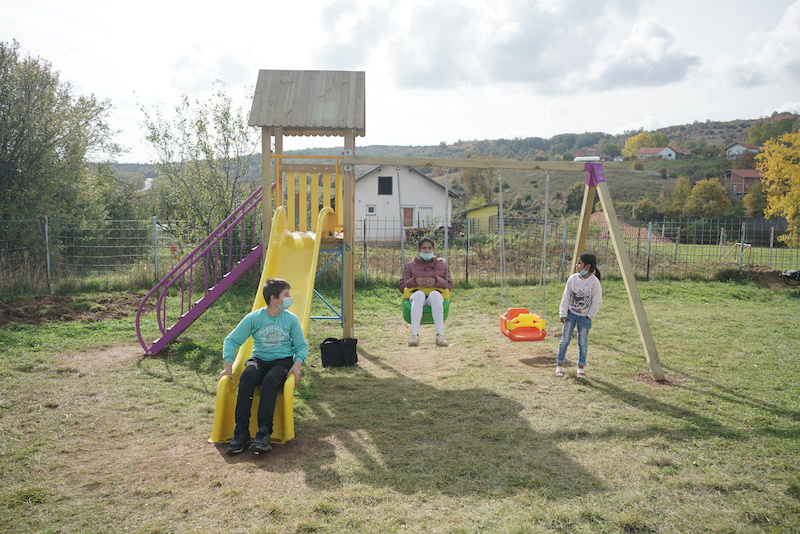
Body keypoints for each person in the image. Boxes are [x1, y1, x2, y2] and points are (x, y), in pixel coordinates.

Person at [220, 277, 307, 455]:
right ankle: (241, 432)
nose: (290, 298)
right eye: (286, 294)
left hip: (282, 361)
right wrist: (228, 366)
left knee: (270, 381)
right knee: (247, 376)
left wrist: (297, 365)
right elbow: (231, 340)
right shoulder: (255, 318)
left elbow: (301, 346)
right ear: (274, 299)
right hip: (259, 359)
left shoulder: (290, 319)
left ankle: (264, 433)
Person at [398, 237, 453, 347]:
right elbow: (401, 285)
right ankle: (414, 335)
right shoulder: (410, 266)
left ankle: (440, 335)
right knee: (419, 294)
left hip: (435, 297)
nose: (427, 251)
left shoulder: (442, 265)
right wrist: (415, 281)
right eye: (424, 248)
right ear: (419, 251)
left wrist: (436, 281)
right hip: (417, 298)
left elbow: (449, 285)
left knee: (435, 294)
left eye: (429, 248)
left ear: (433, 249)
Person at [556, 253, 602, 378]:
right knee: (565, 340)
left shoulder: (594, 282)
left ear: (587, 267)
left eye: (579, 263)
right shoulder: (572, 279)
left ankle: (580, 368)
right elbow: (566, 297)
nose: (576, 266)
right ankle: (559, 365)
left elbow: (597, 301)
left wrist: (589, 316)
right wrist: (563, 313)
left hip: (584, 317)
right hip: (570, 314)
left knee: (582, 342)